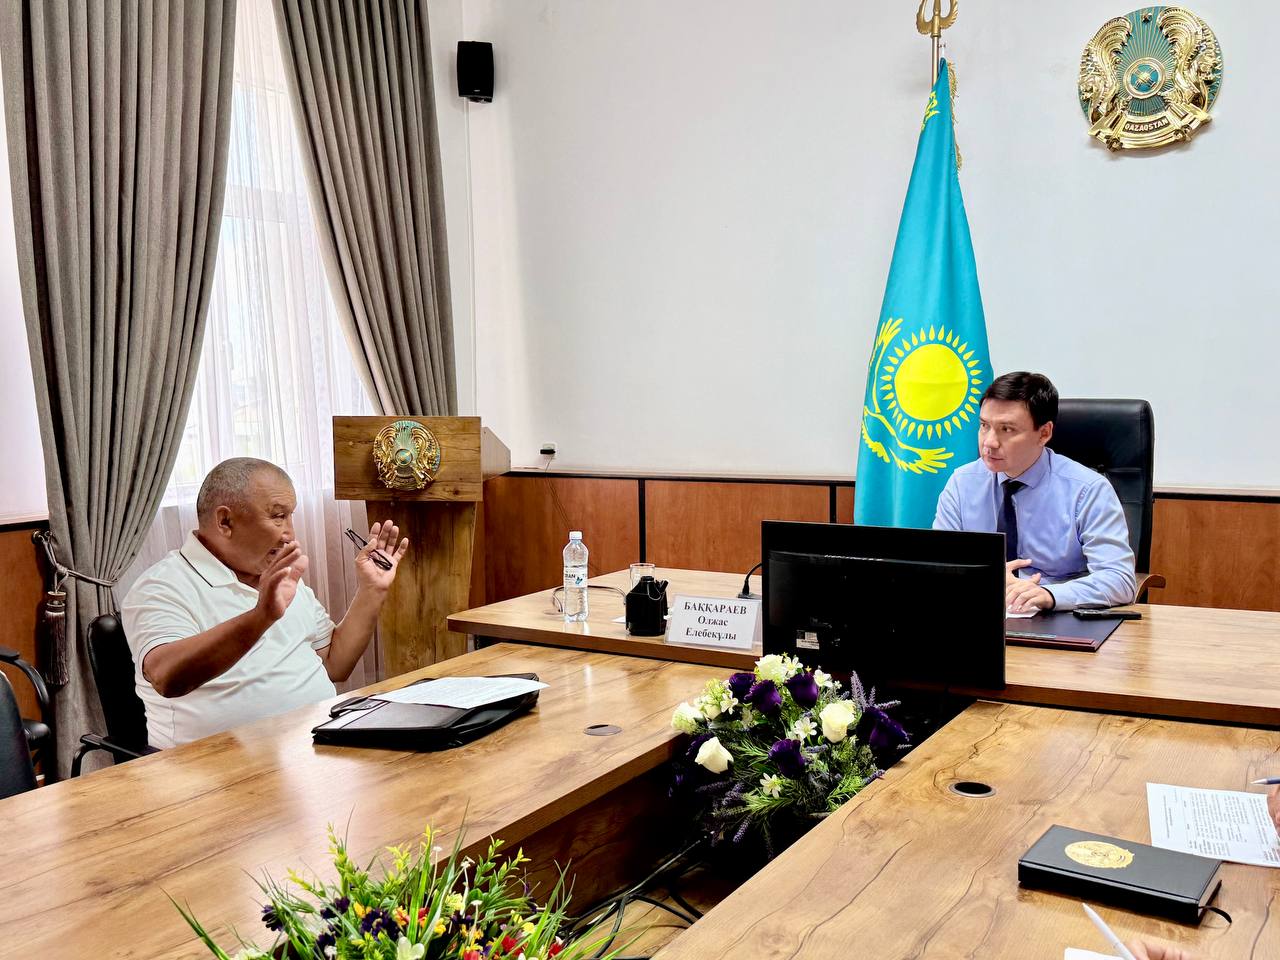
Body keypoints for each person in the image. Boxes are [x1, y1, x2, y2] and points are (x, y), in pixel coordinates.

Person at [121, 457, 408, 748]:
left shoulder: (281, 576)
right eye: (278, 516)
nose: (289, 534)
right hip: (214, 765)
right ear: (225, 522)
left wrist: (371, 590)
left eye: (291, 516)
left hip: (315, 745)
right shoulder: (161, 586)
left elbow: (335, 664)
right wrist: (261, 617)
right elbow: (166, 678)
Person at [933, 371, 1137, 613]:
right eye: (984, 426)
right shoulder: (962, 484)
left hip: (1060, 619)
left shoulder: (1088, 490)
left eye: (1007, 429)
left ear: (1044, 433)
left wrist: (1050, 594)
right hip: (980, 614)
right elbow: (938, 566)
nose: (989, 442)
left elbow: (1120, 580)